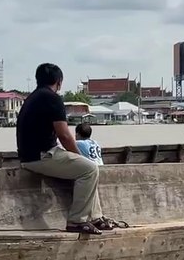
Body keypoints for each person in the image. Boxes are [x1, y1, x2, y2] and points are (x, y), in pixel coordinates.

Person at [16, 63, 113, 234]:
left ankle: (96, 217)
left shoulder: (33, 97)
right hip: (41, 156)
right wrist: (78, 156)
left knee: (87, 169)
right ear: (59, 82)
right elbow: (65, 135)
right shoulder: (52, 99)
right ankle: (77, 220)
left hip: (30, 156)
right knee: (89, 169)